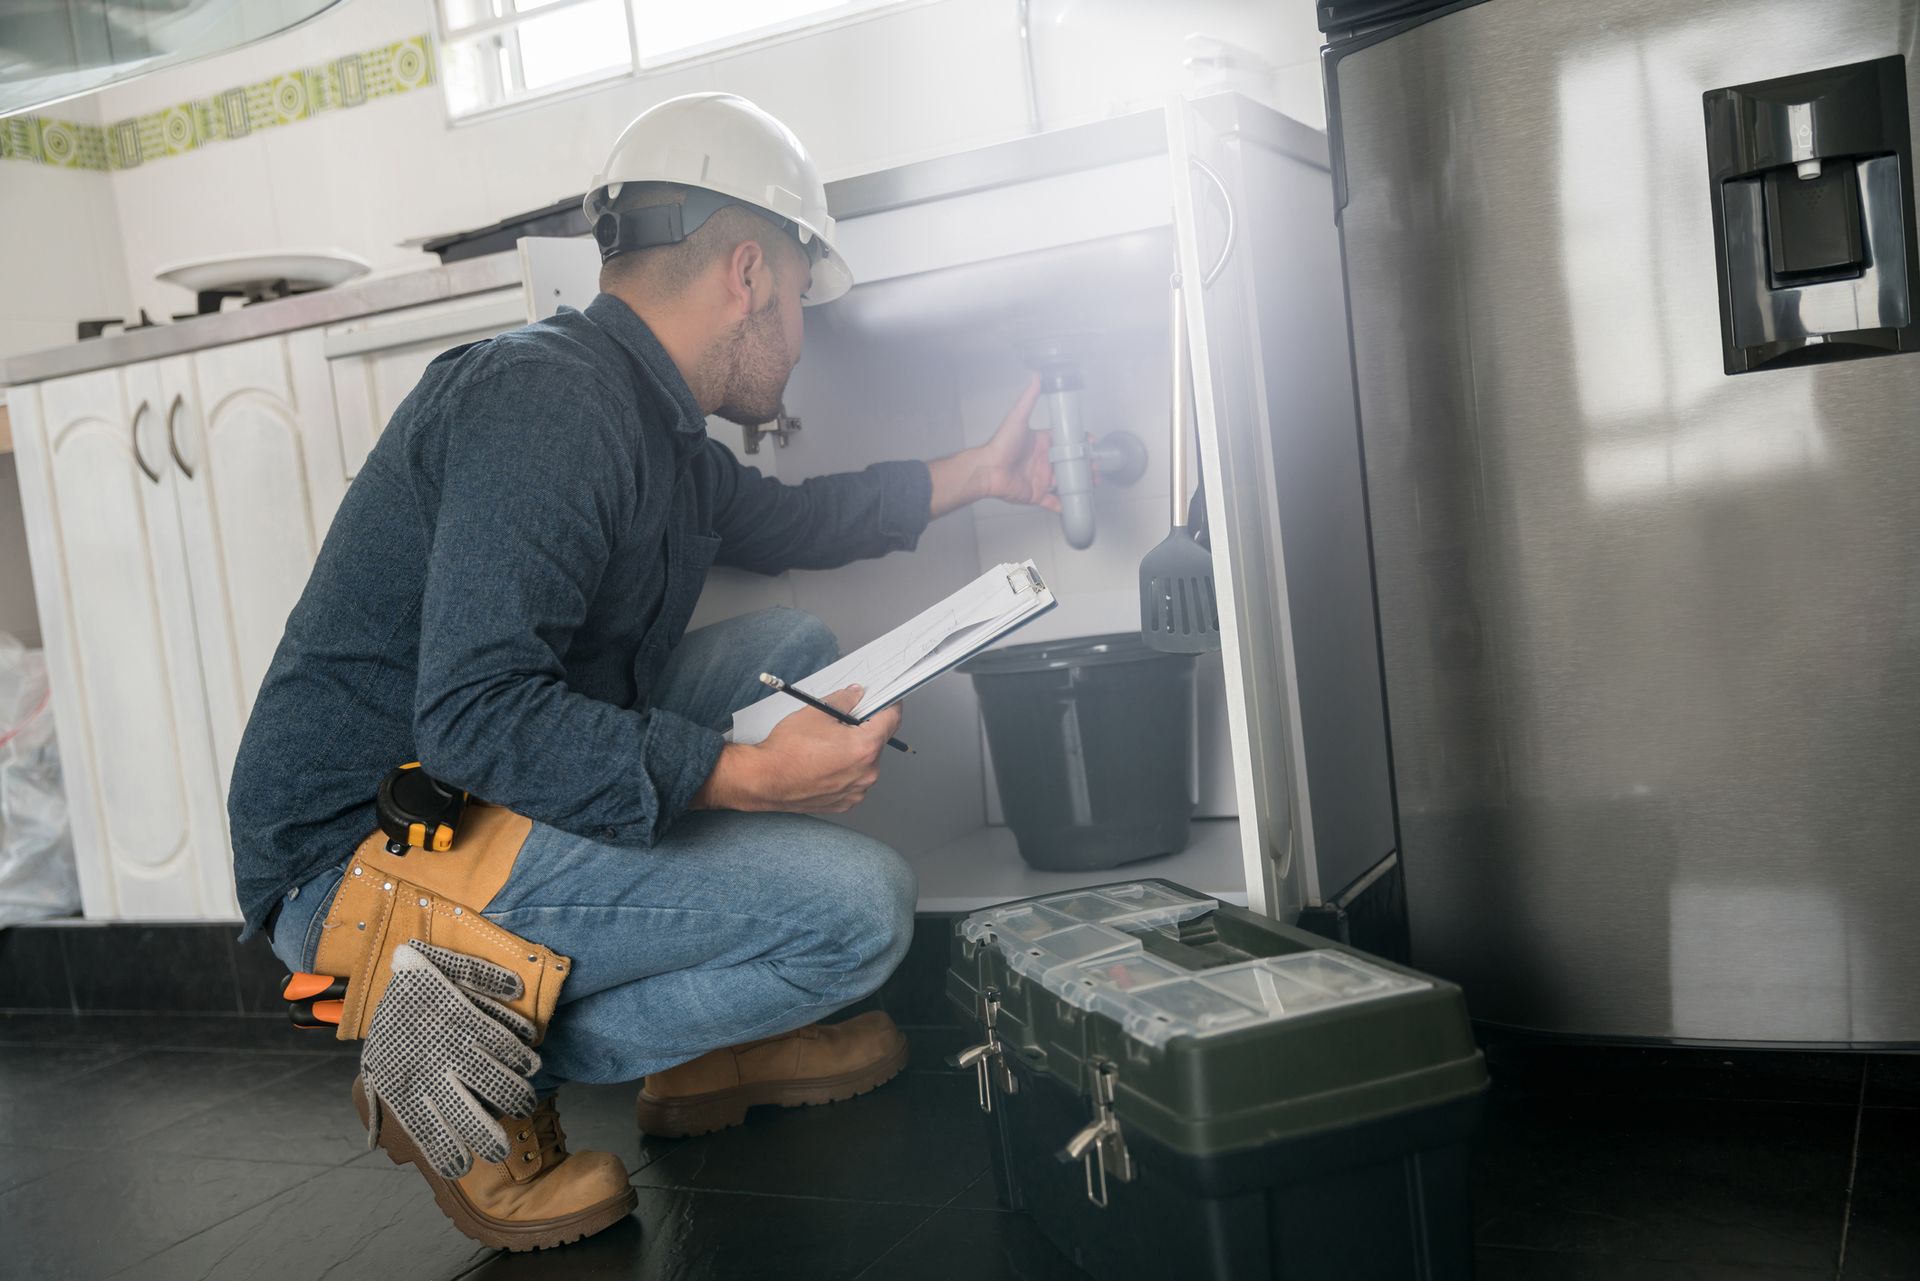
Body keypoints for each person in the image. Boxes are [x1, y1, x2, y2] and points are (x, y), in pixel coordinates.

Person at [227, 92, 1062, 1250]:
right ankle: (446, 1066)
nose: (806, 332)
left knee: (790, 654)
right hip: (371, 852)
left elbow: (790, 521)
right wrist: (748, 779)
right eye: (803, 295)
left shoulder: (645, 413)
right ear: (748, 272)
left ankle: (707, 1055)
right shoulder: (549, 404)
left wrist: (973, 475)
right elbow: (472, 719)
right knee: (860, 913)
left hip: (469, 799)